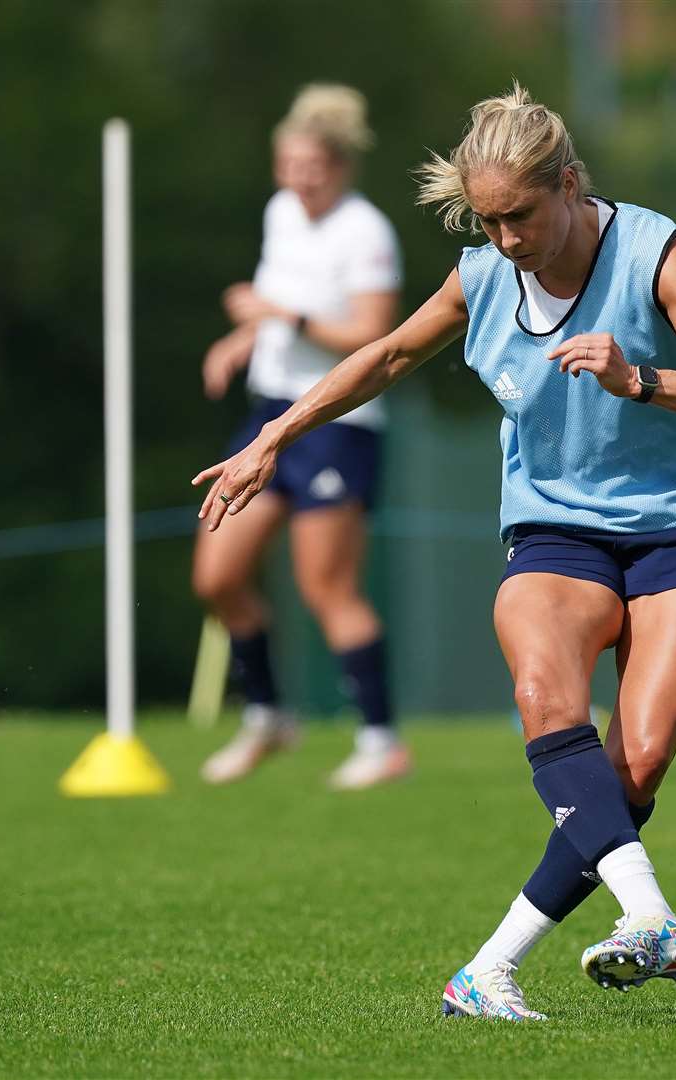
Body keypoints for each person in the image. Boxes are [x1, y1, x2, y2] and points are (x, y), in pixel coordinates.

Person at [193, 84, 676, 1019]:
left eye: (520, 216)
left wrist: (640, 378)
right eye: (485, 220)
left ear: (569, 185)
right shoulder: (481, 277)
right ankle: (652, 914)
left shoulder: (659, 252)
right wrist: (276, 436)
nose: (505, 239)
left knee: (636, 764)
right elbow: (384, 357)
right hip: (555, 526)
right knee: (546, 696)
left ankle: (487, 971)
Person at [193, 84, 411, 790]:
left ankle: (380, 739)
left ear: (341, 164)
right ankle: (269, 718)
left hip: (337, 423)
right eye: (287, 163)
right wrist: (242, 337)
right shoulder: (280, 213)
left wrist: (278, 317)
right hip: (268, 415)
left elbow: (373, 336)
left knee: (326, 587)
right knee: (217, 575)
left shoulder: (366, 232)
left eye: (311, 164)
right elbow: (274, 309)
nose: (297, 177)